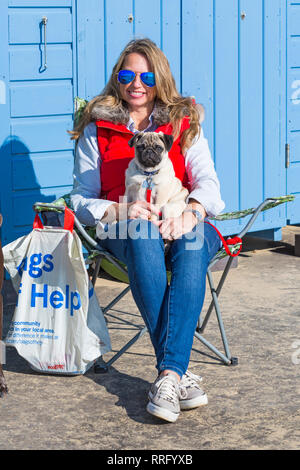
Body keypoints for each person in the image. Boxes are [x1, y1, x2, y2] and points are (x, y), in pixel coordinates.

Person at [70, 38, 225, 423]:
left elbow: (209, 185)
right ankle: (176, 374)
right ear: (117, 80)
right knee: (142, 237)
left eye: (145, 75)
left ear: (160, 79)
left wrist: (191, 212)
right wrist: (120, 209)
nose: (136, 83)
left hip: (182, 216)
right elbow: (80, 200)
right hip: (125, 227)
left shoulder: (184, 123)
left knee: (191, 246)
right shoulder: (98, 127)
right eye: (127, 74)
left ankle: (168, 375)